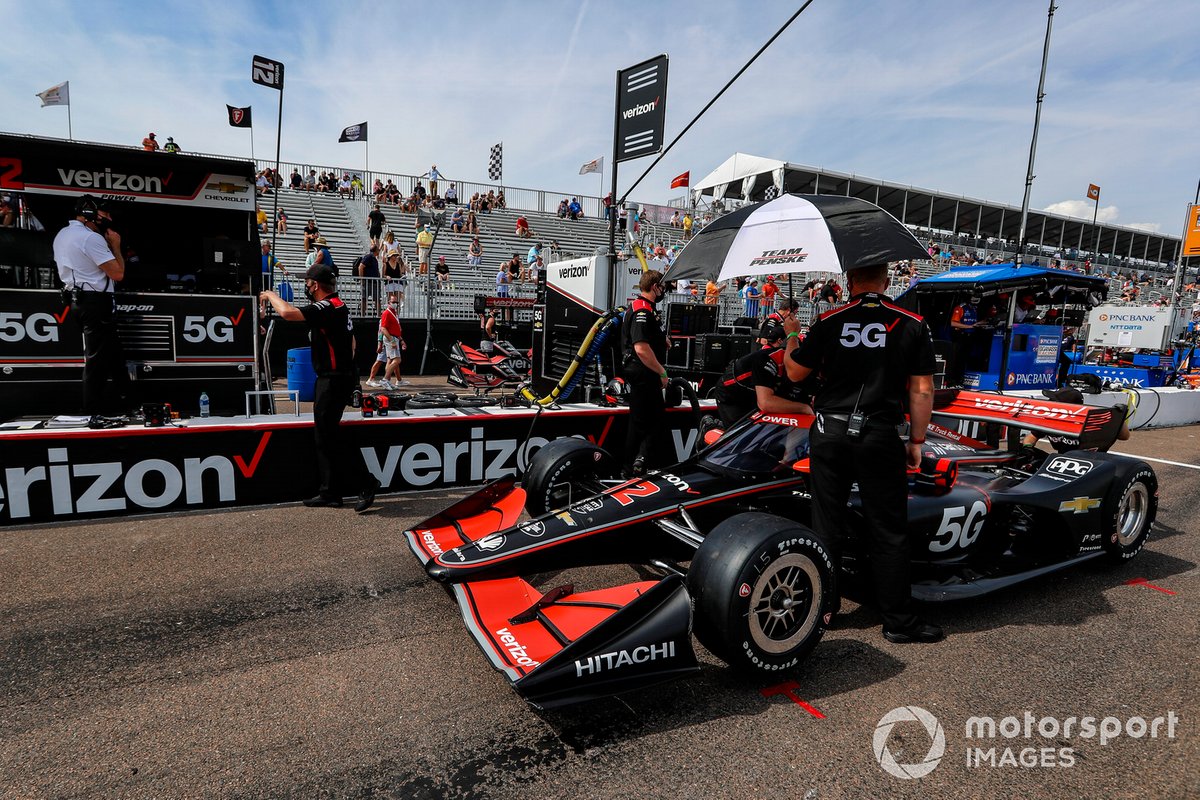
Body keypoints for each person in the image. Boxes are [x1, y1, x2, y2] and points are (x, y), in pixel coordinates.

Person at [783, 262, 942, 644]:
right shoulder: (912, 322)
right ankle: (898, 622)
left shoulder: (828, 318)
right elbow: (921, 390)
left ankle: (824, 609)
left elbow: (794, 374)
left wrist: (791, 336)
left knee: (827, 523)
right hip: (879, 432)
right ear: (887, 281)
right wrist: (917, 441)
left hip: (829, 432)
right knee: (887, 528)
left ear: (849, 281)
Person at [259, 264, 378, 512]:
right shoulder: (339, 306)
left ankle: (366, 483)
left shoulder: (326, 306)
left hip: (333, 379)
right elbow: (353, 342)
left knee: (329, 435)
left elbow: (289, 314)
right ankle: (330, 492)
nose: (306, 286)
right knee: (324, 435)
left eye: (308, 282)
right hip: (338, 377)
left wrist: (270, 295)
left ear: (314, 285)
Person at [53, 195, 131, 414]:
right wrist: (116, 246)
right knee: (96, 359)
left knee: (114, 354)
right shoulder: (90, 238)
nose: (108, 218)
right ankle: (92, 410)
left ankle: (126, 400)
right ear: (90, 214)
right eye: (104, 214)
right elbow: (118, 273)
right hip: (95, 302)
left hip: (77, 301)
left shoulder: (63, 234)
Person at [620, 270, 670, 476]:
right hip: (644, 372)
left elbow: (647, 338)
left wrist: (662, 340)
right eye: (662, 287)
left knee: (649, 419)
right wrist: (661, 372)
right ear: (655, 286)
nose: (664, 291)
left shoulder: (646, 307)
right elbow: (640, 348)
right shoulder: (642, 310)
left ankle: (639, 463)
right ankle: (630, 466)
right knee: (644, 421)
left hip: (642, 372)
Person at [715, 324, 814, 427]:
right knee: (740, 433)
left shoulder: (809, 368)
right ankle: (711, 427)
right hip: (732, 392)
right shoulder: (768, 358)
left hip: (758, 391)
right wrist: (803, 408)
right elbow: (765, 403)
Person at [357, 244, 381, 315]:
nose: (379, 251)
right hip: (368, 282)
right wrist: (362, 279)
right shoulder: (369, 257)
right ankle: (362, 315)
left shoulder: (374, 258)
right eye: (378, 250)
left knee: (377, 299)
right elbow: (360, 267)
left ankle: (379, 316)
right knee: (364, 299)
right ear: (375, 250)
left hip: (374, 282)